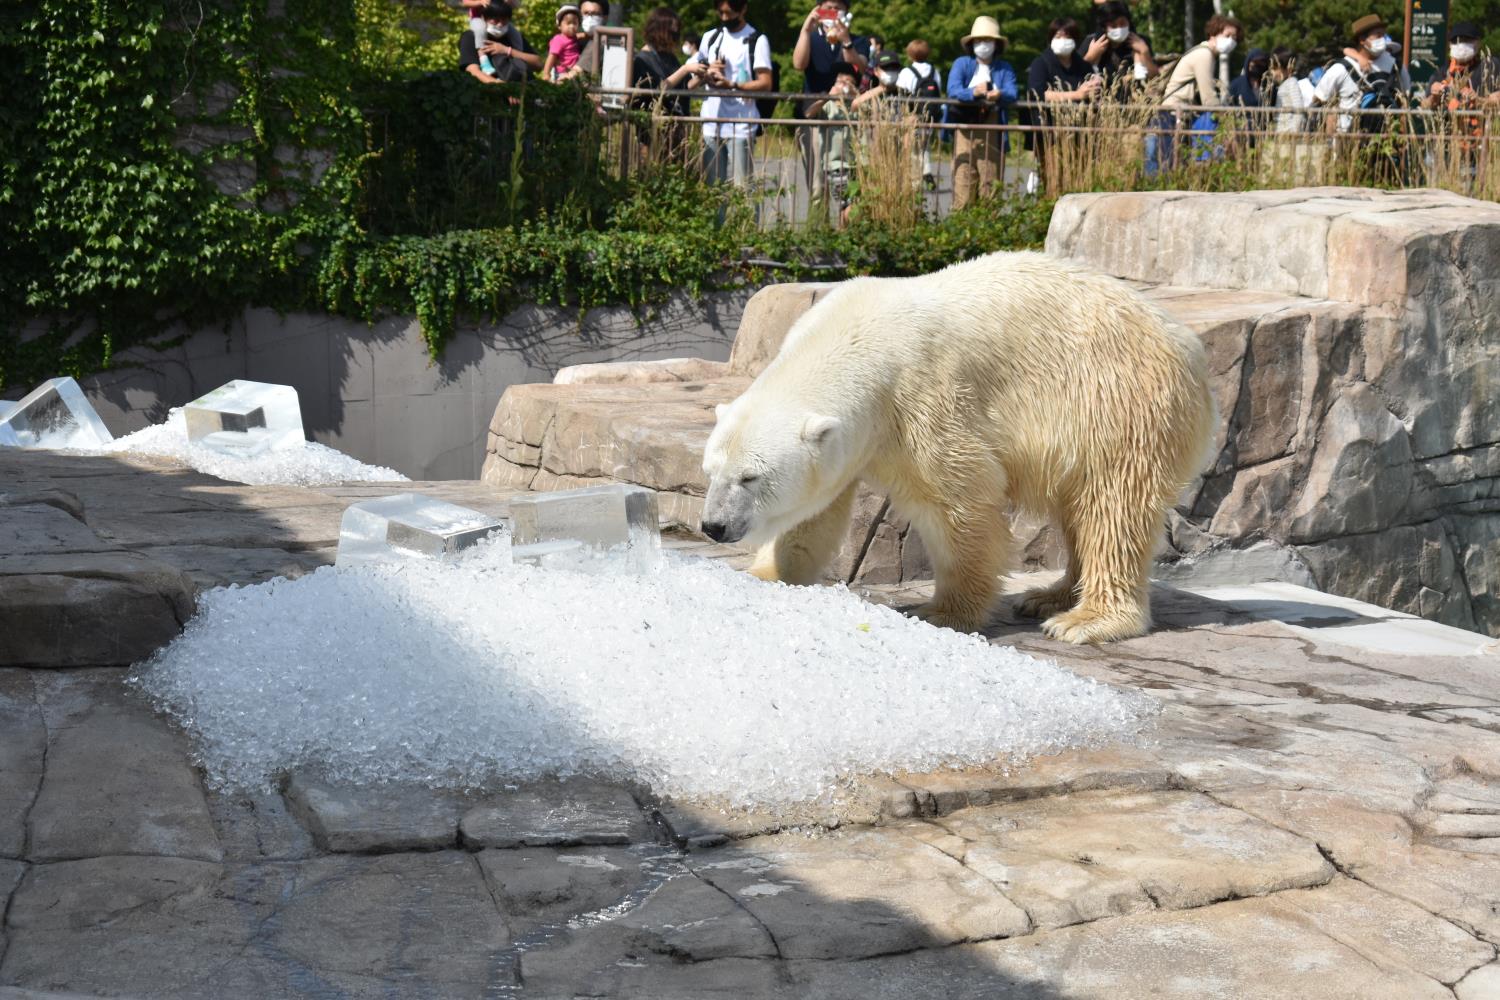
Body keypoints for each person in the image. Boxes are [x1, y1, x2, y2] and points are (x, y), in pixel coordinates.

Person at [793, 0, 871, 213]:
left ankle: (847, 232)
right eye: (828, 7)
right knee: (818, 186)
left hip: (848, 117)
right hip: (814, 112)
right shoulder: (810, 38)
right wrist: (806, 27)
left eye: (839, 8)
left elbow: (861, 67)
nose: (833, 12)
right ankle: (819, 233)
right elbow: (798, 64)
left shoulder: (859, 41)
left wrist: (845, 39)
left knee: (850, 183)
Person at [693, 0, 774, 189]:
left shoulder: (756, 40)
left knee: (743, 189)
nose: (724, 18)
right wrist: (708, 72)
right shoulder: (710, 38)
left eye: (729, 13)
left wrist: (733, 85)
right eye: (720, 13)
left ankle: (746, 220)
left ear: (743, 9)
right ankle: (717, 220)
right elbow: (694, 77)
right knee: (713, 190)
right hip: (711, 122)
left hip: (742, 124)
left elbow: (765, 82)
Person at [1152, 14, 1241, 175]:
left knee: (1170, 163)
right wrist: (1225, 119)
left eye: (1234, 38)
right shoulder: (1204, 55)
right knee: (1167, 164)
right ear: (1213, 33)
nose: (1231, 41)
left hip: (1176, 113)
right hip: (1172, 113)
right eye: (1227, 35)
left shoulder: (1205, 53)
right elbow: (1209, 97)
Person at [947, 16, 1016, 210]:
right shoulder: (962, 63)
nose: (982, 45)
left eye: (987, 40)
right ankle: (960, 230)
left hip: (992, 129)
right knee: (963, 182)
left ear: (996, 44)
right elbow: (953, 89)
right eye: (978, 41)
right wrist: (973, 93)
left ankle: (990, 233)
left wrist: (999, 94)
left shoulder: (1005, 68)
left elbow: (1012, 92)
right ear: (971, 44)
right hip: (965, 129)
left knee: (991, 184)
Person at [1311, 14, 1411, 135]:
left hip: (1389, 141)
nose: (1382, 40)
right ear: (1362, 40)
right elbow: (1318, 100)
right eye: (1378, 36)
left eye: (1383, 35)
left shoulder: (1396, 66)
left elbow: (1405, 100)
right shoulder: (1341, 69)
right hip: (1350, 141)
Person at [632, 7, 704, 150]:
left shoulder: (669, 57)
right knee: (650, 170)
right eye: (672, 31)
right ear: (659, 30)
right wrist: (685, 69)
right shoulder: (642, 59)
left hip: (676, 129)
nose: (676, 35)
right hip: (651, 131)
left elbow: (685, 86)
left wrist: (703, 77)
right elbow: (658, 90)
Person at [805, 60, 862, 223]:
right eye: (840, 81)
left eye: (848, 82)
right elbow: (809, 113)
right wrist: (827, 96)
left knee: (848, 206)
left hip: (856, 164)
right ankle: (845, 237)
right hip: (835, 164)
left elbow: (871, 113)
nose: (843, 85)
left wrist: (856, 95)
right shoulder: (829, 105)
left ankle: (844, 237)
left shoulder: (856, 105)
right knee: (851, 206)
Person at [1082, 0, 1157, 99]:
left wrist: (1145, 52)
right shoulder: (1091, 43)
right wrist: (1090, 57)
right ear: (1104, 27)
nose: (1119, 28)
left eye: (1122, 24)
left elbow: (1154, 77)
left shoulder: (1141, 42)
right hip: (1100, 104)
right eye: (1113, 26)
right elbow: (1075, 75)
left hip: (1135, 102)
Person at [1424, 21, 1500, 109]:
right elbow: (1424, 105)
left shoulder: (1490, 67)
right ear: (1450, 45)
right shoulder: (1443, 71)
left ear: (1478, 43)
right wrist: (1434, 97)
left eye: (1466, 40)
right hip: (1450, 122)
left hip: (1482, 121)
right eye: (1456, 41)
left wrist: (1478, 100)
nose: (1461, 45)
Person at [459, 2, 541, 83]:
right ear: (484, 18)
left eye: (504, 20)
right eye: (495, 20)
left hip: (523, 87)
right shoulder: (470, 37)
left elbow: (538, 64)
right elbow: (473, 71)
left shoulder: (513, 36)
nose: (500, 25)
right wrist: (500, 86)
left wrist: (508, 51)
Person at [543, 5, 586, 81]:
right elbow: (551, 57)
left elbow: (581, 35)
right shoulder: (558, 40)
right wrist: (546, 74)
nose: (572, 26)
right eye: (568, 23)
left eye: (575, 23)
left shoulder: (574, 37)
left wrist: (589, 35)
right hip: (562, 73)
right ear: (559, 26)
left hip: (574, 72)